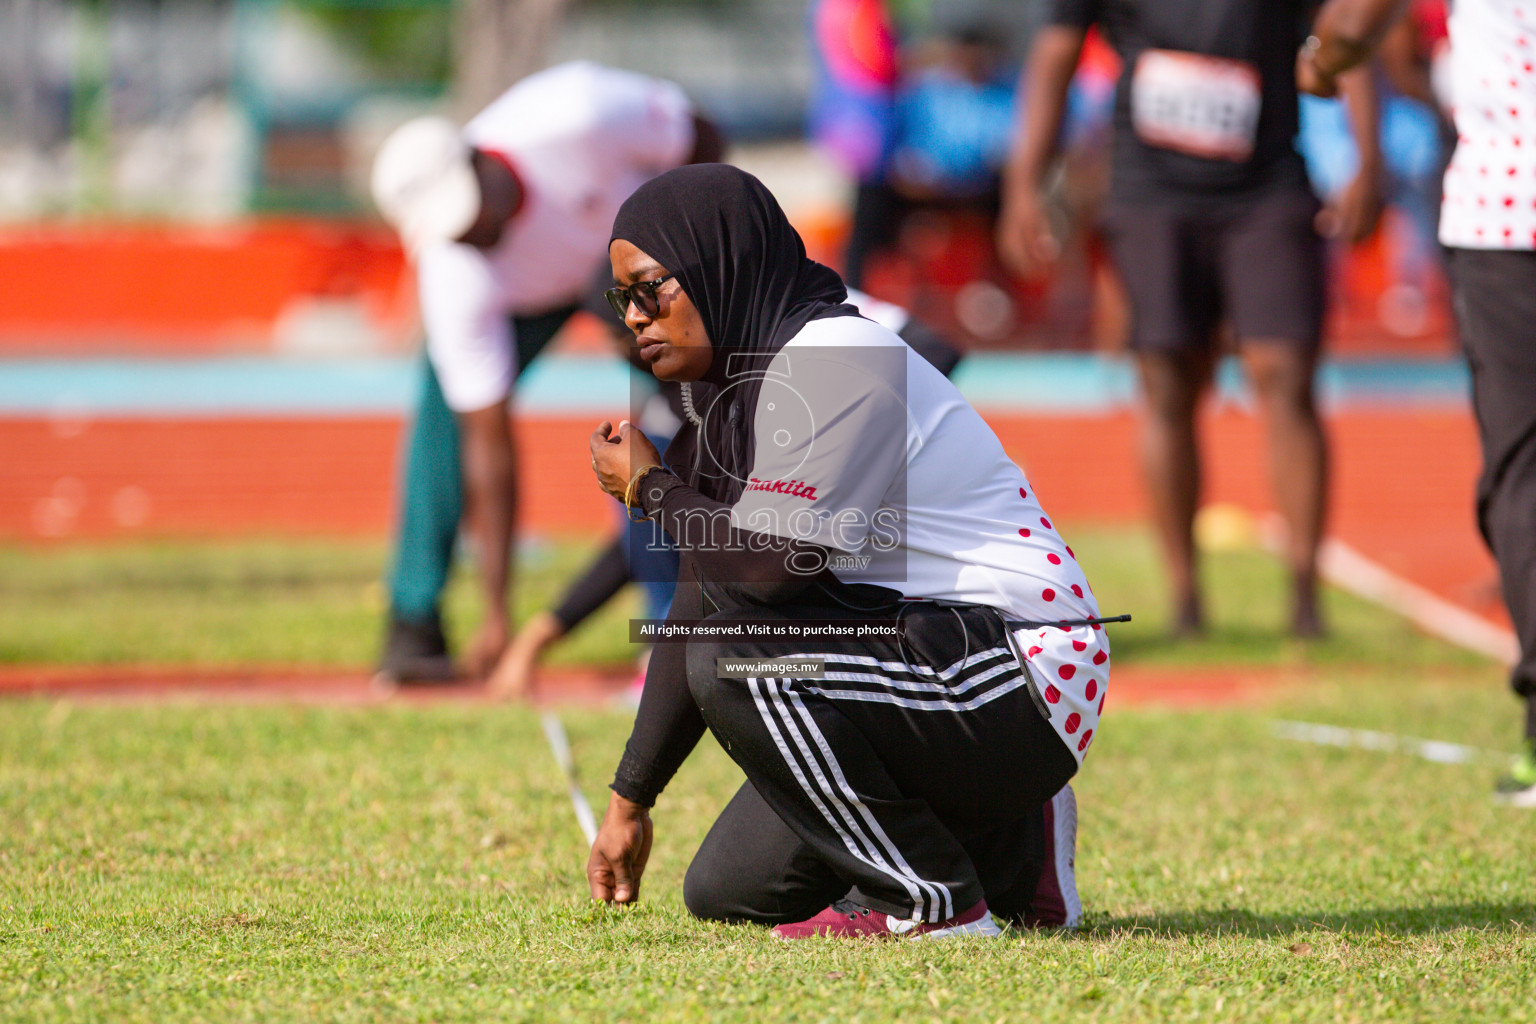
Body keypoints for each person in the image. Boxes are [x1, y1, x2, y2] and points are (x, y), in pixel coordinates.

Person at [584, 164, 1109, 937]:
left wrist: (654, 492)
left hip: (1023, 668)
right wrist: (631, 801)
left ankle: (931, 905)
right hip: (930, 660)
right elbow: (701, 599)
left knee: (739, 657)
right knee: (728, 889)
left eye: (650, 288)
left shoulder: (836, 356)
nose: (634, 316)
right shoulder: (731, 400)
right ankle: (1012, 847)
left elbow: (768, 575)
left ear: (717, 262)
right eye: (621, 298)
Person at [999, 1, 1384, 638]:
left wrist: (1369, 162)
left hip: (1266, 186)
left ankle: (1305, 600)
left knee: (1286, 372)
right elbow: (1054, 56)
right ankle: (1185, 600)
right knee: (1168, 380)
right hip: (1151, 194)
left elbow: (1348, 31)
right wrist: (1024, 186)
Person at [369, 61, 722, 684]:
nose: (473, 234)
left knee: (694, 413)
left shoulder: (579, 112)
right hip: (522, 303)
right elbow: (490, 443)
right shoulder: (454, 270)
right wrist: (497, 614)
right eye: (455, 230)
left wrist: (696, 260)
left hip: (631, 265)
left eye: (472, 213)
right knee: (443, 420)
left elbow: (704, 139)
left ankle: (699, 606)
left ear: (483, 161)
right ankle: (413, 615)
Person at [1300, 0, 1536, 804]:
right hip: (1501, 209)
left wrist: (1319, 62)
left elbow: (1353, 24)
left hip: (1508, 217)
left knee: (1522, 467)